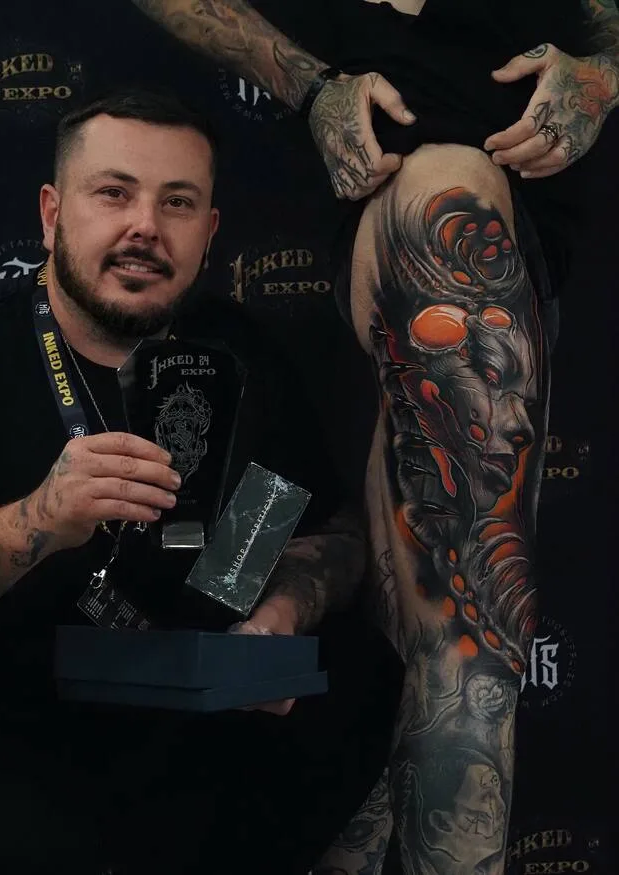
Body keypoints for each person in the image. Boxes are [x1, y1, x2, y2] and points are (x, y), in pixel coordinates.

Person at [125, 2, 619, 873]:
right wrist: (308, 82)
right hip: (428, 211)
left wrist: (606, 73)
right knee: (464, 658)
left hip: (508, 239)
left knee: (414, 635)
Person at [0, 90, 369, 875]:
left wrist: (282, 612)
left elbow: (331, 532)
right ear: (52, 214)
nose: (145, 228)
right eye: (114, 193)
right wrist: (37, 519)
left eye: (178, 202)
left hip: (193, 743)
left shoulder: (243, 355)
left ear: (210, 232)